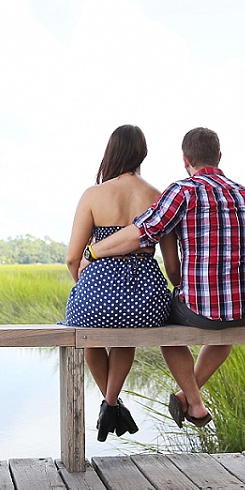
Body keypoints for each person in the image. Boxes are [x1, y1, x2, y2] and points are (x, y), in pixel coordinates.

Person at [79, 126, 245, 429]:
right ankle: (185, 399)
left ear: (185, 159)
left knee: (168, 324)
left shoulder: (182, 191)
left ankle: (192, 400)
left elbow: (141, 232)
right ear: (219, 156)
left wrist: (94, 253)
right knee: (226, 326)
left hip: (202, 310)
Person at [64, 124, 180, 442]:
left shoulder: (93, 195)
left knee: (88, 335)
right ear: (142, 153)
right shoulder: (158, 197)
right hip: (145, 299)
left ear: (110, 152)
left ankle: (111, 404)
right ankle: (111, 404)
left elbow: (73, 259)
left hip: (97, 293)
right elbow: (172, 266)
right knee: (124, 334)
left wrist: (87, 287)